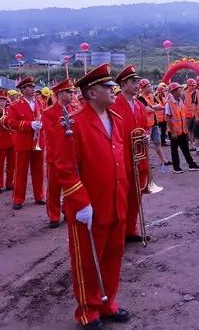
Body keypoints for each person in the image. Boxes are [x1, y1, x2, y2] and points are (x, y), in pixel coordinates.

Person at [49, 64, 132, 330]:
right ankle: (88, 310)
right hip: (88, 205)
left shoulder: (115, 119)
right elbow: (64, 168)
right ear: (92, 92)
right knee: (87, 260)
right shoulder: (74, 123)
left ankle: (108, 303)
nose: (113, 91)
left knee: (113, 254)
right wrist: (80, 201)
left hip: (115, 199)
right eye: (108, 87)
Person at [110, 65, 151, 244]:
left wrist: (146, 136)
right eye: (133, 82)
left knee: (136, 195)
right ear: (123, 84)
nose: (137, 85)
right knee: (121, 198)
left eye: (137, 82)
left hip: (138, 157)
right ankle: (119, 233)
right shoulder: (114, 105)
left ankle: (131, 230)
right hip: (121, 158)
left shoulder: (140, 105)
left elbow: (145, 126)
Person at [4, 76, 46, 210]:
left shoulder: (40, 103)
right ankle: (18, 198)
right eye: (29, 87)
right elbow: (11, 123)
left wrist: (42, 124)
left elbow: (44, 117)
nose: (33, 89)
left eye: (33, 87)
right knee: (21, 171)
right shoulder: (15, 106)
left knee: (38, 170)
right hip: (23, 142)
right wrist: (29, 125)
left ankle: (39, 195)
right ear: (22, 90)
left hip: (38, 140)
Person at [41, 79, 76, 228]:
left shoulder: (74, 109)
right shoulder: (48, 112)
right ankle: (54, 216)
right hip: (55, 156)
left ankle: (68, 211)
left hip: (71, 156)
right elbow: (51, 134)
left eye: (72, 92)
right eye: (69, 92)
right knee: (54, 188)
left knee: (71, 187)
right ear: (60, 94)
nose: (72, 94)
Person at [164, 82, 199, 174]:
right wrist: (173, 132)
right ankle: (176, 167)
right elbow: (168, 119)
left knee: (185, 148)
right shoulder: (168, 104)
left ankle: (191, 164)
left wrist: (185, 130)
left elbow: (182, 117)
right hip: (174, 132)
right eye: (179, 90)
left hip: (182, 130)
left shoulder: (180, 101)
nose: (181, 91)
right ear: (173, 92)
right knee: (174, 150)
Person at [137, 80, 170, 167]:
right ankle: (146, 162)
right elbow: (147, 110)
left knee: (157, 142)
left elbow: (159, 105)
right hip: (146, 125)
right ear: (144, 88)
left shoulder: (151, 96)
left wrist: (153, 107)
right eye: (149, 86)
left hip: (154, 123)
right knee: (146, 144)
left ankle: (163, 160)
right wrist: (155, 107)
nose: (151, 87)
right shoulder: (141, 98)